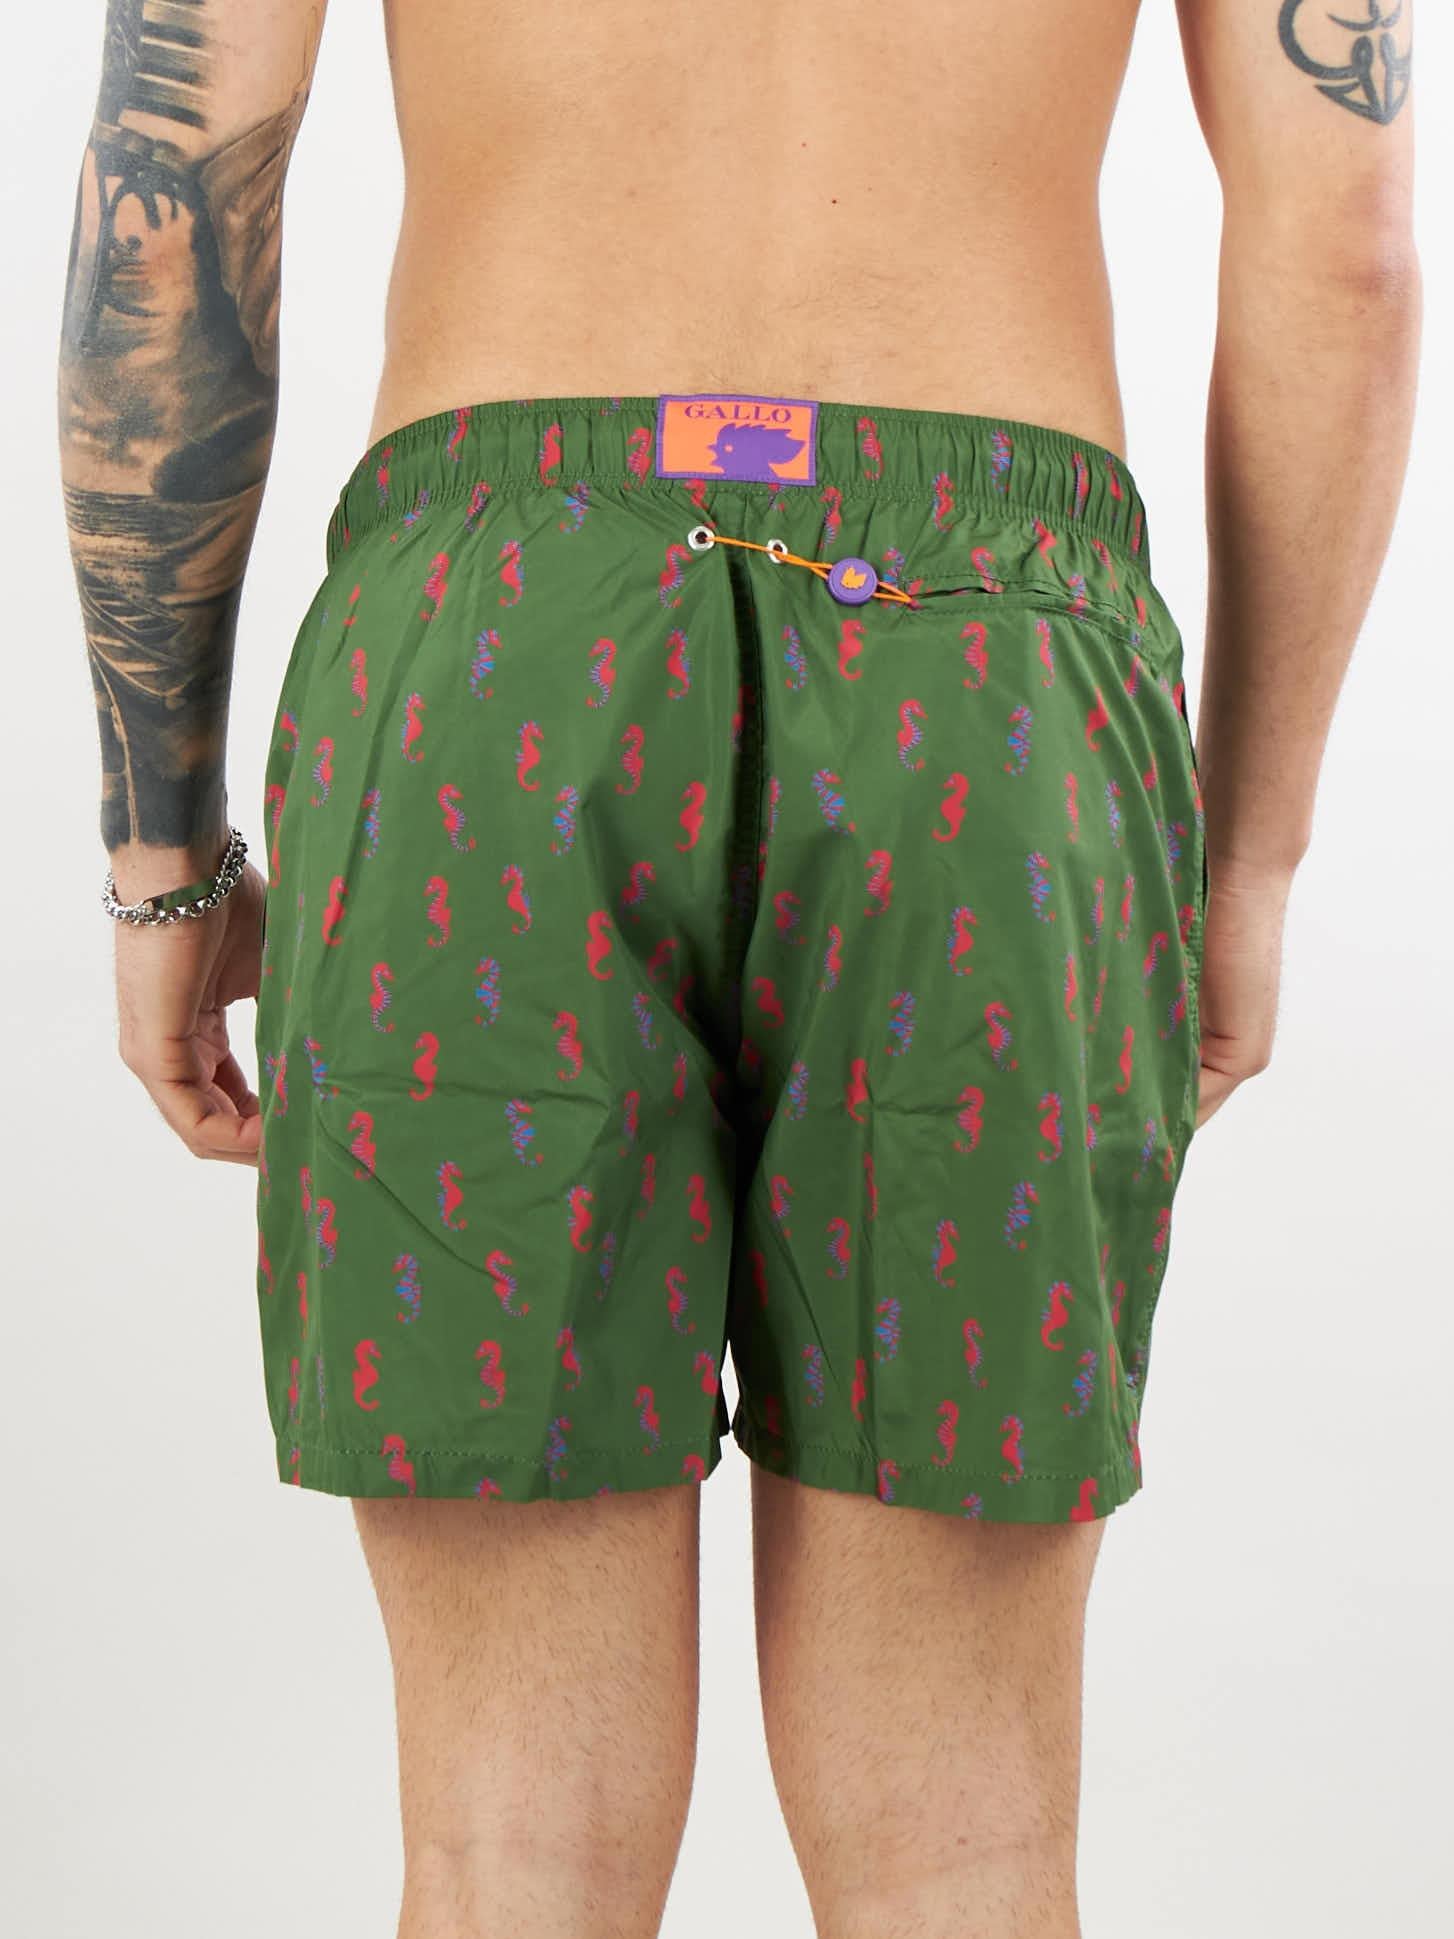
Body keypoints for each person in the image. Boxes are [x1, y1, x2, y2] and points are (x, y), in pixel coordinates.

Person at [57, 2, 1419, 1934]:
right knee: (963, 1840)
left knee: (506, 1847)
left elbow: (170, 199)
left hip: (488, 644)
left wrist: (162, 857)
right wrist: (1249, 853)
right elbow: (1346, 237)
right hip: (992, 668)